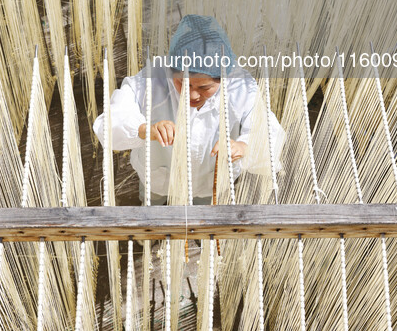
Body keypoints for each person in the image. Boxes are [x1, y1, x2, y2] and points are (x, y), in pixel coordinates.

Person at [93, 15, 285, 204]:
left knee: (205, 217)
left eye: (204, 88)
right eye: (182, 83)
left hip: (211, 183)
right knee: (154, 212)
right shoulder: (153, 79)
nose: (192, 95)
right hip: (159, 180)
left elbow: (268, 132)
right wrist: (145, 129)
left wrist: (243, 147)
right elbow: (109, 122)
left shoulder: (240, 87)